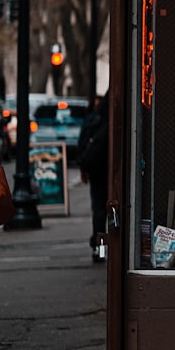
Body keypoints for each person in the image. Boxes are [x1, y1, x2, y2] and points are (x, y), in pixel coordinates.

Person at [78, 91, 109, 263]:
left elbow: (82, 144)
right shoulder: (113, 119)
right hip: (113, 169)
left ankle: (100, 249)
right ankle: (118, 251)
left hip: (96, 169)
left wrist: (84, 168)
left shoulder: (92, 120)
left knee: (99, 211)